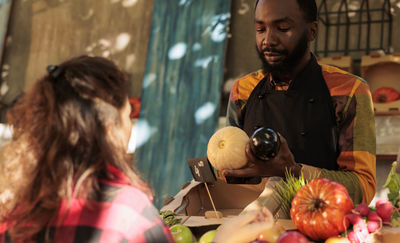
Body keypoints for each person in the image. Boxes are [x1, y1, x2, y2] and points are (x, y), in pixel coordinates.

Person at [0, 55, 273, 242]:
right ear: (110, 129)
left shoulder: (17, 210)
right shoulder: (126, 215)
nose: (130, 124)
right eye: (127, 114)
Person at [223, 0, 376, 206]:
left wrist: (293, 171)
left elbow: (363, 188)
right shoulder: (242, 90)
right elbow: (228, 169)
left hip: (323, 227)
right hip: (252, 226)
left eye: (283, 28)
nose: (268, 40)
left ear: (311, 31)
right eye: (260, 29)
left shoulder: (349, 91)